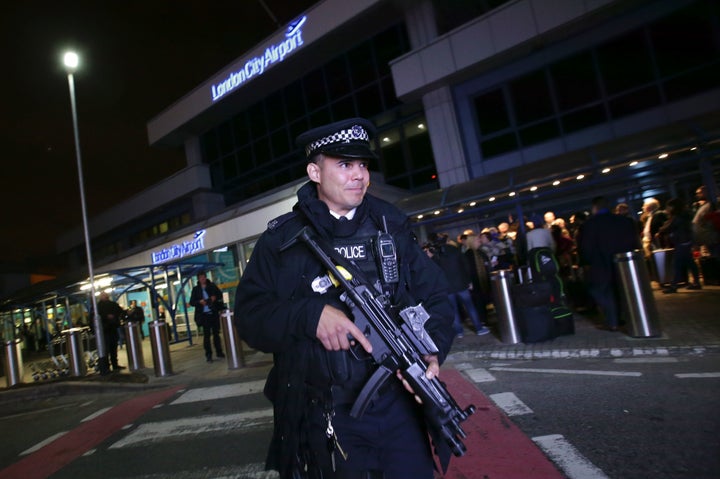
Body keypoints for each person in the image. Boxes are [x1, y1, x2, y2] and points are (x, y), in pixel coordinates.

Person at [234, 118, 454, 479]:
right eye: (344, 164)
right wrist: (310, 315)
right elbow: (250, 317)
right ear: (314, 172)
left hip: (400, 405)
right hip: (324, 412)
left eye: (363, 165)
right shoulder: (281, 241)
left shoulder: (391, 225)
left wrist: (433, 349)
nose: (359, 175)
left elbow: (437, 297)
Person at [579, 196, 641, 331]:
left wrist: (586, 262)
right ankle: (624, 317)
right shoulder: (625, 221)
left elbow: (587, 247)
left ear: (594, 208)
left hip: (600, 262)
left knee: (599, 290)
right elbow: (635, 242)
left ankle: (612, 320)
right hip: (625, 262)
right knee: (621, 290)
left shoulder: (590, 224)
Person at [431, 232, 490, 338]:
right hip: (461, 284)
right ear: (447, 241)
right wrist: (469, 281)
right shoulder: (455, 250)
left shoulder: (436, 255)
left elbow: (435, 272)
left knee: (453, 310)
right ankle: (479, 328)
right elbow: (465, 266)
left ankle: (459, 332)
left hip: (447, 288)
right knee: (470, 306)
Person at [657, 198, 701, 293]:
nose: (667, 209)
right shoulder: (684, 215)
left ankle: (674, 286)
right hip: (686, 242)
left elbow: (668, 228)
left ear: (673, 207)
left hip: (682, 242)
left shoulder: (678, 217)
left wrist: (661, 229)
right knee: (690, 263)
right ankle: (696, 283)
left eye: (668, 207)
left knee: (676, 264)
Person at [189, 271, 225, 362]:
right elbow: (192, 302)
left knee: (216, 334)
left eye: (203, 277)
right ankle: (208, 355)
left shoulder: (212, 286)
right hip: (204, 316)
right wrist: (200, 302)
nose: (202, 279)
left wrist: (214, 297)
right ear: (198, 279)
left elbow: (220, 295)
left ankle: (219, 352)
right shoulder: (196, 289)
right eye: (201, 278)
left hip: (213, 313)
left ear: (206, 277)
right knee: (206, 336)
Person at [97, 292, 126, 371]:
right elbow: (120, 311)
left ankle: (112, 365)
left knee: (111, 348)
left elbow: (120, 311)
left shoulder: (99, 306)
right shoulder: (101, 306)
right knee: (109, 348)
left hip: (108, 329)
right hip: (107, 329)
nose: (106, 297)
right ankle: (110, 365)